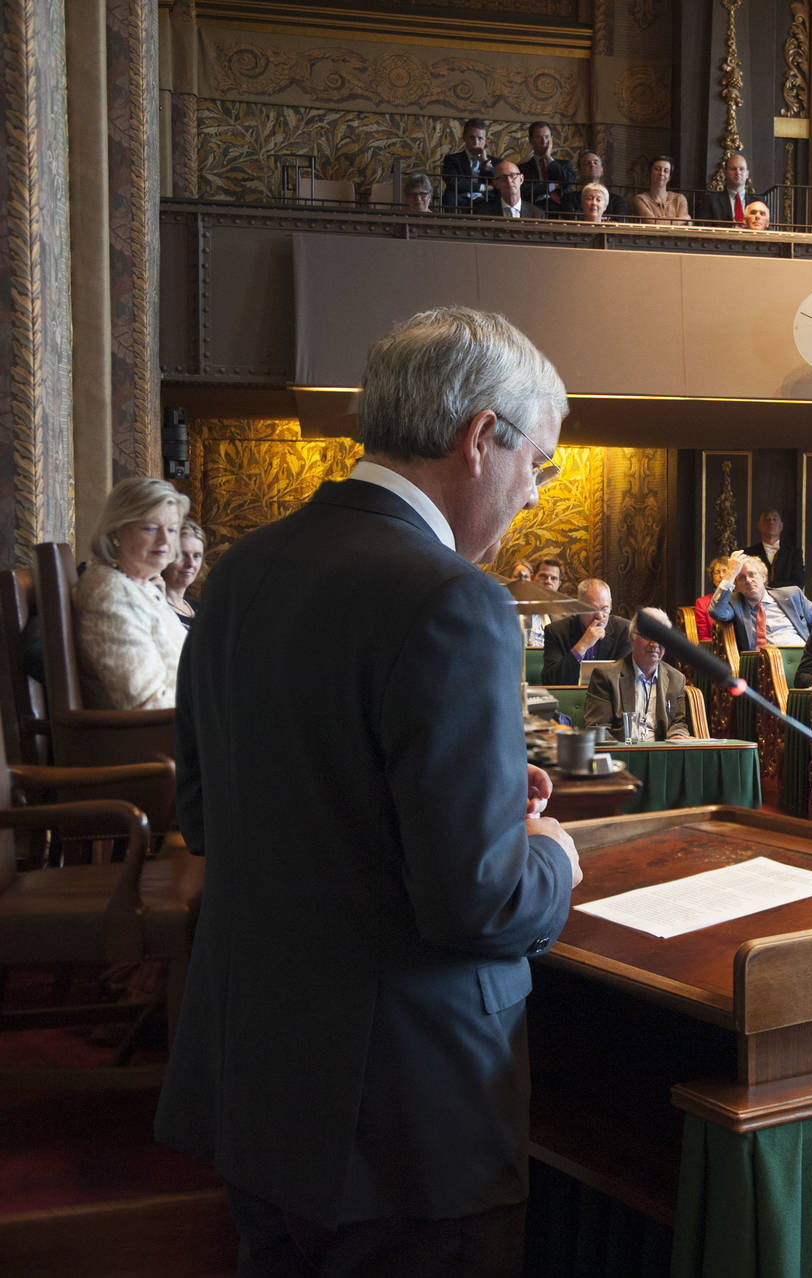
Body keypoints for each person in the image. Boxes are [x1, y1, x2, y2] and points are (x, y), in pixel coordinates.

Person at [156, 306, 582, 1274]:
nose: (532, 495)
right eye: (540, 465)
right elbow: (478, 901)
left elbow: (212, 819)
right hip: (401, 1127)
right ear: (481, 439)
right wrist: (550, 857)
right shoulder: (453, 600)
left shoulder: (238, 576)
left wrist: (465, 802)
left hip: (256, 1089)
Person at [73, 476, 190, 710]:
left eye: (172, 529)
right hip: (154, 740)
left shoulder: (143, 586)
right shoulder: (111, 594)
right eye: (150, 528)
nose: (165, 540)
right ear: (115, 531)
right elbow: (148, 704)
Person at [583, 607, 693, 741]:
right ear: (632, 638)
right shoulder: (606, 677)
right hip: (622, 755)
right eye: (648, 636)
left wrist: (677, 736)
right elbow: (597, 728)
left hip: (660, 755)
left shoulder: (676, 679)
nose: (654, 644)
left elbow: (678, 723)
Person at [709, 554, 812, 651]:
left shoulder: (792, 594)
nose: (748, 580)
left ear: (763, 577)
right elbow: (716, 612)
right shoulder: (734, 603)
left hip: (802, 655)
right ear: (736, 586)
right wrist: (729, 574)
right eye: (741, 578)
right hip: (764, 666)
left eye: (752, 574)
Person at [541, 578, 632, 684]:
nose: (599, 615)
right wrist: (582, 645)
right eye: (592, 609)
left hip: (609, 698)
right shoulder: (557, 631)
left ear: (611, 605)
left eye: (604, 608)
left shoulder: (624, 630)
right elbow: (550, 680)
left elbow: (626, 678)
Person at [516, 121, 574, 212]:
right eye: (539, 138)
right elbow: (524, 190)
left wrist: (548, 157)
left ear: (551, 139)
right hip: (533, 207)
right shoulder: (522, 168)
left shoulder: (565, 165)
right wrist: (551, 186)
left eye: (547, 137)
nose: (544, 142)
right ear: (531, 140)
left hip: (561, 208)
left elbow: (569, 182)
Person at [439, 118, 493, 211]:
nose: (476, 142)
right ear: (464, 138)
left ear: (486, 140)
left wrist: (485, 162)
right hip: (459, 200)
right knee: (449, 196)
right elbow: (453, 183)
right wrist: (483, 187)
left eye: (480, 138)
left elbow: (498, 183)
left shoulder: (495, 162)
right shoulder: (452, 160)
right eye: (472, 137)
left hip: (485, 202)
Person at [161, 519, 206, 631]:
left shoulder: (202, 609)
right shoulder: (156, 606)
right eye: (182, 555)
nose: (190, 564)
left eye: (196, 556)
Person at [743, 508, 803, 589]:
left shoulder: (794, 553)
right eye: (767, 519)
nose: (771, 522)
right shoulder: (748, 553)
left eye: (774, 519)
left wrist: (771, 587)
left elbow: (798, 583)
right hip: (756, 600)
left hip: (786, 600)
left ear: (781, 526)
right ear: (759, 526)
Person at [561, 151, 625, 219]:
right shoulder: (569, 198)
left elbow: (619, 221)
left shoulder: (616, 200)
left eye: (595, 163)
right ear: (579, 171)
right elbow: (570, 220)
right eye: (587, 163)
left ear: (602, 170)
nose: (592, 165)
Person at [632, 155, 690, 225]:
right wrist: (682, 220)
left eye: (666, 171)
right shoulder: (640, 199)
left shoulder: (680, 198)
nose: (661, 173)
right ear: (650, 173)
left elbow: (685, 225)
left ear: (669, 177)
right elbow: (652, 223)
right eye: (657, 169)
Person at [478, 161, 546, 220]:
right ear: (496, 183)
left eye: (513, 176)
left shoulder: (537, 214)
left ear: (521, 179)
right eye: (503, 177)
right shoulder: (485, 213)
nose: (509, 181)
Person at [698, 152, 751, 225]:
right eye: (733, 169)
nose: (738, 172)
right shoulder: (710, 201)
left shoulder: (758, 202)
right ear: (725, 173)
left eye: (741, 169)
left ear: (747, 174)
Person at [692, 554, 737, 642]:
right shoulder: (702, 603)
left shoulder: (740, 599)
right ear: (712, 578)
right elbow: (702, 637)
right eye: (717, 572)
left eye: (725, 571)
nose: (721, 575)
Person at [524, 558, 563, 647]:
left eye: (553, 578)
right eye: (543, 576)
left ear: (558, 584)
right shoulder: (517, 609)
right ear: (533, 578)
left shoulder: (566, 617)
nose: (548, 581)